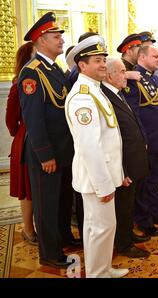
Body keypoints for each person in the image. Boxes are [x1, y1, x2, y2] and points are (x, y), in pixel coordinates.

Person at [18, 12, 78, 268]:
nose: (61, 41)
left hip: (64, 149)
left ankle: (64, 237)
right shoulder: (32, 74)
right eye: (56, 37)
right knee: (47, 205)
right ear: (41, 40)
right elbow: (34, 120)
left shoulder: (55, 69)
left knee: (63, 201)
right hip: (48, 154)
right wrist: (46, 155)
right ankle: (50, 253)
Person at [65, 35, 129, 278]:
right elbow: (90, 146)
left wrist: (117, 175)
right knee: (100, 227)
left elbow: (110, 140)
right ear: (82, 65)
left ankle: (101, 269)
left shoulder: (94, 90)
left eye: (104, 59)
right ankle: (97, 274)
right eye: (97, 60)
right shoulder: (83, 96)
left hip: (103, 174)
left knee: (99, 227)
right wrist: (104, 185)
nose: (103, 64)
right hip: (95, 178)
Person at [101, 57, 151, 258]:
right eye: (122, 72)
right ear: (110, 75)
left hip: (132, 160)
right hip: (123, 165)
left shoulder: (117, 93)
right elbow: (111, 138)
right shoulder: (106, 96)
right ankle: (123, 244)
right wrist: (122, 169)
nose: (126, 75)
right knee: (122, 206)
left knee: (128, 205)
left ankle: (127, 234)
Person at [124, 45, 158, 238]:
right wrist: (143, 139)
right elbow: (134, 113)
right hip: (146, 141)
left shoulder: (153, 78)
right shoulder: (134, 78)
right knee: (144, 183)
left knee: (154, 180)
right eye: (154, 56)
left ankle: (154, 213)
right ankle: (144, 221)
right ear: (142, 57)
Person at [6, 42, 37, 245]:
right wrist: (19, 134)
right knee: (27, 190)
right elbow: (11, 118)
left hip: (34, 137)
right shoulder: (20, 82)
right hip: (25, 139)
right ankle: (28, 229)